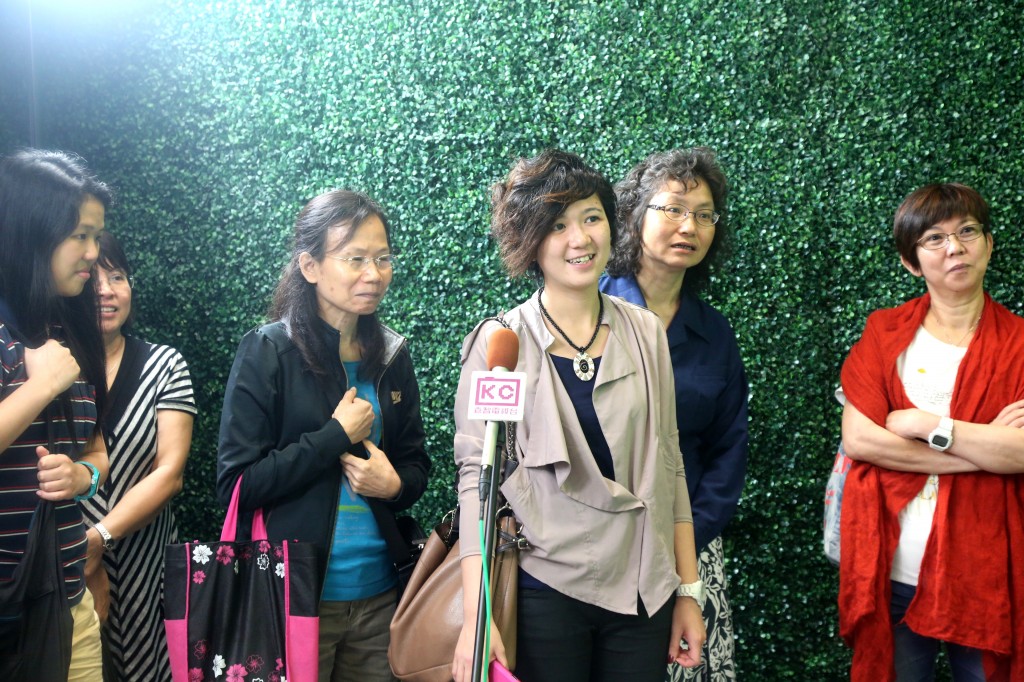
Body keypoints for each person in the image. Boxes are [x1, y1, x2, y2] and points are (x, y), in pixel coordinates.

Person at [452, 150, 706, 682]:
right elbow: (478, 479)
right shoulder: (501, 343)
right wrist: (478, 612)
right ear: (530, 242)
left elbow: (671, 464)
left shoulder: (646, 333)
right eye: (557, 225)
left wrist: (687, 590)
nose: (580, 239)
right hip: (545, 590)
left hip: (644, 589)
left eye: (591, 218)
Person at [217, 189, 431, 682]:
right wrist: (334, 436)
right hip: (294, 593)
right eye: (355, 259)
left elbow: (416, 463)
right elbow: (237, 486)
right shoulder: (269, 351)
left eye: (382, 258)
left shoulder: (392, 356)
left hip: (381, 595)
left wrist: (395, 486)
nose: (373, 273)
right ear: (310, 266)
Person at [839, 183, 1024, 681]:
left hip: (989, 571)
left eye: (967, 231)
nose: (955, 248)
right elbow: (861, 440)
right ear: (911, 262)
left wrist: (927, 426)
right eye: (935, 238)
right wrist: (984, 448)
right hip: (894, 567)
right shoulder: (885, 334)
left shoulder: (1020, 343)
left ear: (989, 244)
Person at [599, 147, 748, 682]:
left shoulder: (715, 333)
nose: (689, 226)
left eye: (704, 215)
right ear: (634, 216)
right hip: (590, 549)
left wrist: (688, 538)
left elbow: (729, 450)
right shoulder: (586, 313)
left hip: (689, 551)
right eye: (673, 209)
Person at [0, 149, 112, 680]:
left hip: (66, 603)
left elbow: (97, 449)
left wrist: (83, 477)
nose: (93, 253)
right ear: (31, 233)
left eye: (97, 236)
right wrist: (41, 386)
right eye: (79, 235)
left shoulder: (69, 329)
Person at [78, 232, 196, 681]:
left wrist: (98, 540)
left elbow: (170, 473)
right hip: (65, 565)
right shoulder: (45, 363)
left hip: (148, 565)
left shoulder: (165, 365)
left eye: (117, 277)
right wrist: (81, 554)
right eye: (93, 278)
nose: (106, 290)